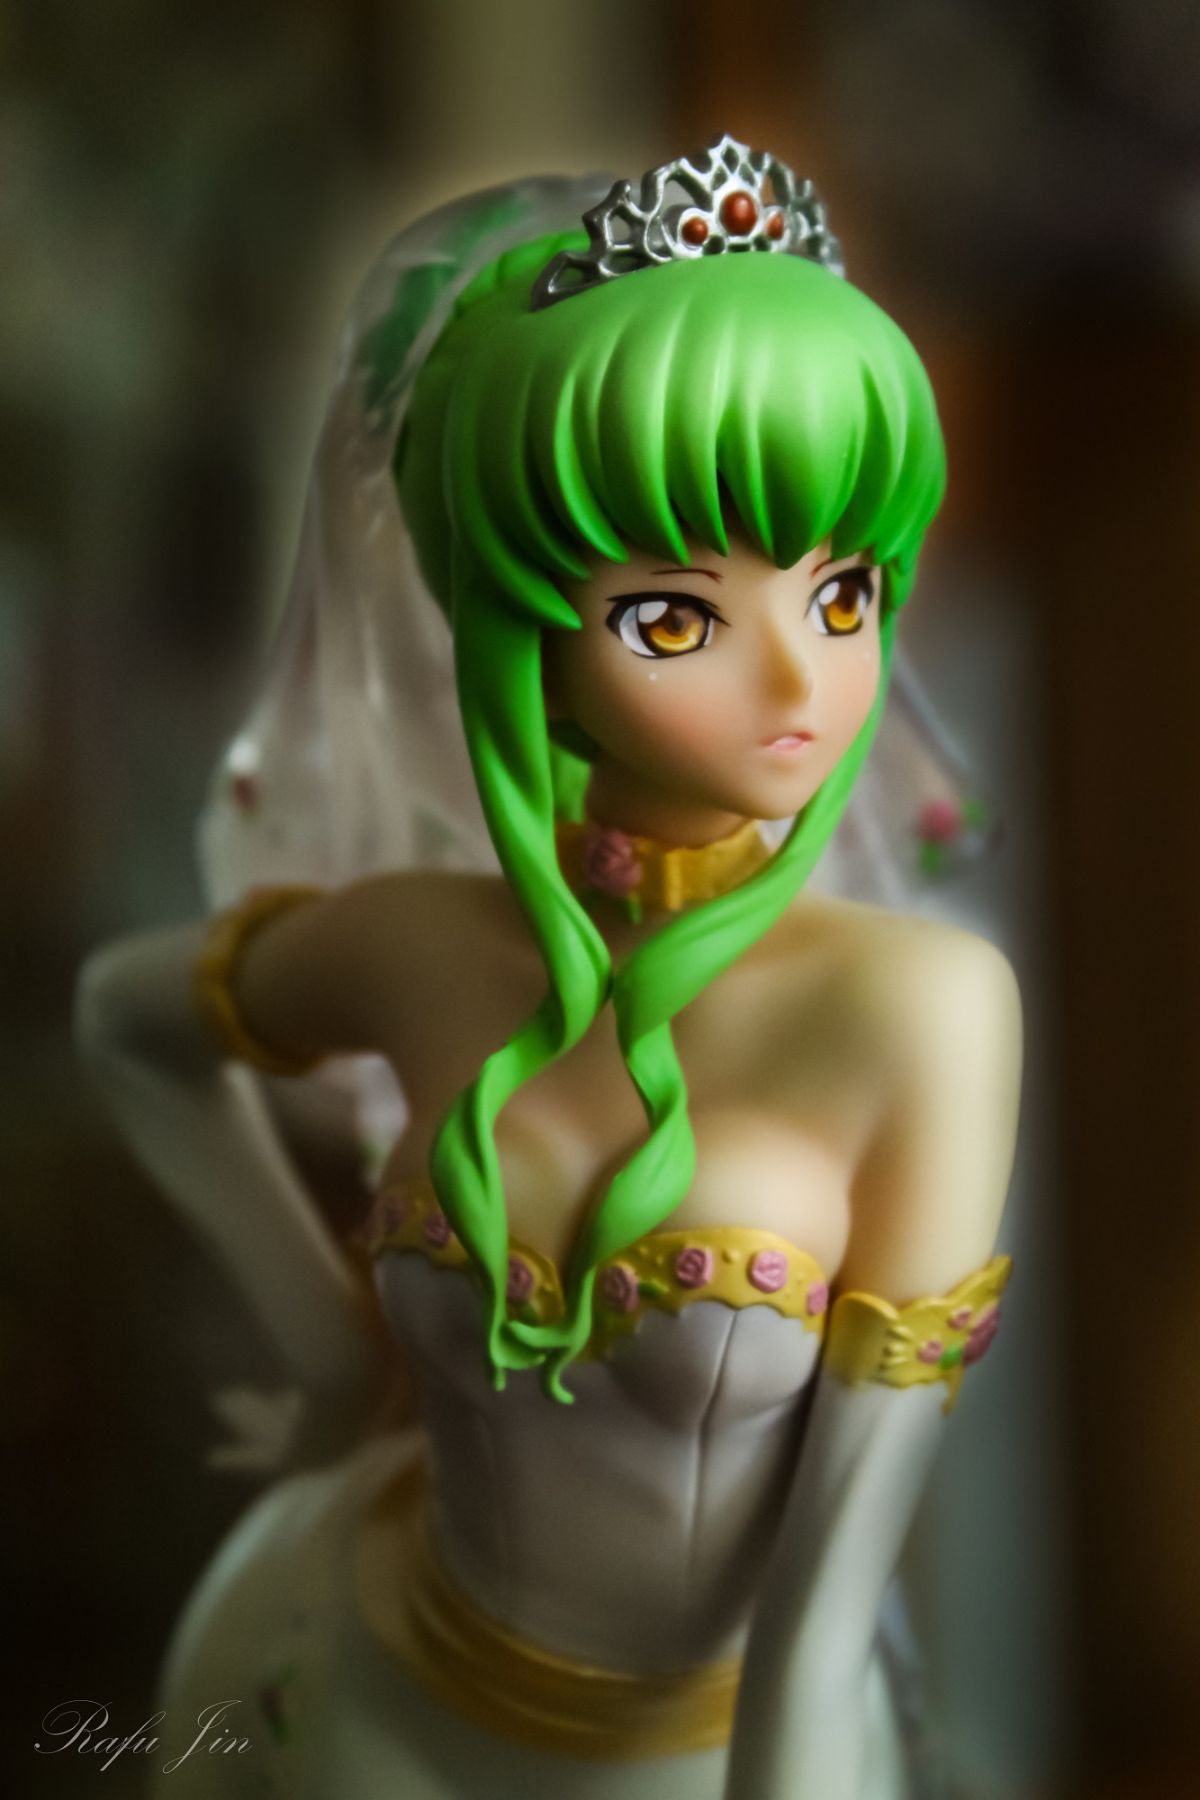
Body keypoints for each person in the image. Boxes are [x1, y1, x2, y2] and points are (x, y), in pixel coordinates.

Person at [76, 137, 1021, 1800]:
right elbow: (129, 1021)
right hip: (354, 1691)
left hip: (726, 1751)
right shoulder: (420, 944)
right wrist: (323, 1357)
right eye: (676, 618)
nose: (801, 680)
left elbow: (825, 1607)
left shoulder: (922, 1012)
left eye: (847, 590)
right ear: (518, 630)